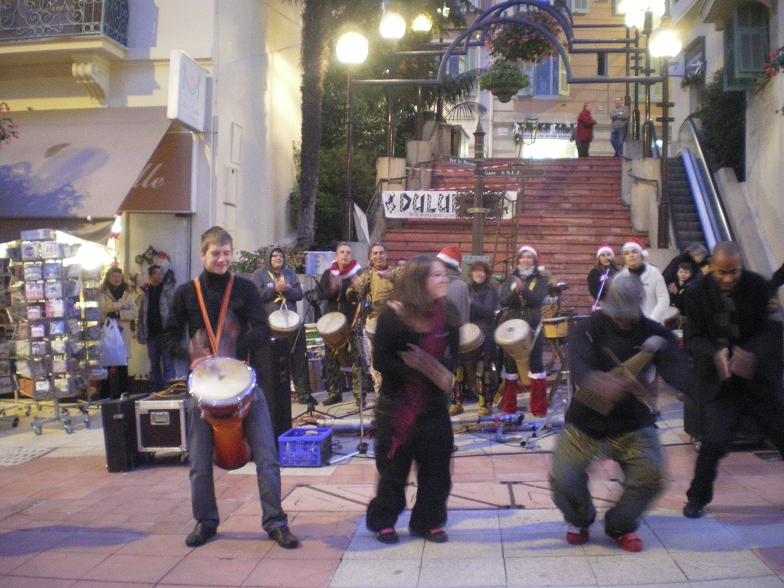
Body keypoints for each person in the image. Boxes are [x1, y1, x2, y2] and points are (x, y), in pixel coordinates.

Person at [163, 226, 299, 549]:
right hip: (203, 390)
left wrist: (235, 343)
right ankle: (206, 521)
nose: (222, 259)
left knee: (267, 456)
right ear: (203, 255)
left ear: (232, 253)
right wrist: (189, 353)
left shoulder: (245, 289)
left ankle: (276, 522)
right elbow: (168, 337)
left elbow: (263, 332)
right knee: (198, 464)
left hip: (245, 387)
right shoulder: (185, 293)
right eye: (215, 253)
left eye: (227, 253)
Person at [550, 273, 692, 552]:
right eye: (617, 314)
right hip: (584, 424)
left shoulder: (654, 333)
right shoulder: (587, 329)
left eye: (628, 315)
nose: (622, 321)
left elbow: (680, 371)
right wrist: (595, 381)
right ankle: (581, 519)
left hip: (632, 423)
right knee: (564, 478)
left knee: (651, 476)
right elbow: (579, 368)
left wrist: (695, 384)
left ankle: (619, 524)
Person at [682, 241, 784, 519]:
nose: (728, 279)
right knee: (713, 443)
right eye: (721, 273)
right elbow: (693, 339)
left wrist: (751, 354)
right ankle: (696, 498)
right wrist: (716, 354)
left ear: (741, 266)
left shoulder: (758, 286)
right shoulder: (696, 293)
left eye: (734, 272)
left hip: (758, 381)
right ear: (712, 268)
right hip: (722, 385)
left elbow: (774, 331)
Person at [366, 255, 459, 544]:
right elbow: (381, 361)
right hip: (397, 407)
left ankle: (427, 521)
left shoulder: (449, 313)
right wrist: (418, 370)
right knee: (393, 470)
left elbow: (452, 358)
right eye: (437, 275)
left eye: (445, 275)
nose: (444, 280)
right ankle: (384, 520)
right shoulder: (392, 315)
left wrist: (435, 370)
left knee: (437, 470)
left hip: (434, 406)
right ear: (419, 281)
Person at [250, 247, 311, 404]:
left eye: (280, 255)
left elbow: (299, 294)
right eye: (274, 255)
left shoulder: (290, 274)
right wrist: (275, 289)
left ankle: (303, 394)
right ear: (268, 258)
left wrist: (288, 289)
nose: (278, 258)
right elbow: (256, 295)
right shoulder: (259, 275)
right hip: (270, 326)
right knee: (272, 361)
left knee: (298, 359)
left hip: (292, 326)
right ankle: (273, 396)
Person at [498, 245, 550, 416]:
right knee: (510, 366)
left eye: (529, 257)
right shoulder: (509, 279)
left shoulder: (541, 279)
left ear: (534, 261)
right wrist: (515, 291)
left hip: (533, 326)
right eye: (522, 257)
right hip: (513, 328)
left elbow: (537, 300)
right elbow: (504, 301)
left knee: (536, 366)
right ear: (518, 260)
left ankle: (539, 409)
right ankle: (509, 408)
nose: (525, 260)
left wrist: (524, 289)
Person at [317, 242, 366, 406]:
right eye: (342, 252)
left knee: (357, 358)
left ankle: (360, 396)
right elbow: (320, 295)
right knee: (331, 359)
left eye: (348, 252)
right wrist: (332, 289)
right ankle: (334, 392)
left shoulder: (358, 273)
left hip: (352, 321)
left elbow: (363, 298)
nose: (345, 255)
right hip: (332, 322)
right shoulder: (328, 274)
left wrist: (359, 289)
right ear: (336, 256)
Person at [350, 243, 402, 394]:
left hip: (395, 322)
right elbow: (355, 296)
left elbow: (407, 283)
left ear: (387, 255)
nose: (378, 256)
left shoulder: (397, 272)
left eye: (381, 253)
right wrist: (355, 288)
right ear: (371, 258)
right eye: (375, 253)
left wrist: (391, 278)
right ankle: (380, 395)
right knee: (376, 363)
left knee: (396, 360)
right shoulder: (367, 276)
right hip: (374, 323)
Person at [435, 246, 470, 415]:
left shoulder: (455, 286)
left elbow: (459, 317)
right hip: (447, 338)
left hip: (444, 339)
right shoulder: (458, 285)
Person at [99, 267, 139, 399]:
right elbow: (102, 307)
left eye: (119, 276)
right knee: (107, 364)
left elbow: (134, 312)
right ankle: (105, 393)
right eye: (114, 276)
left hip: (122, 333)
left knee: (122, 365)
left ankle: (123, 393)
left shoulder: (128, 294)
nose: (117, 279)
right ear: (109, 278)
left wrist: (117, 313)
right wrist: (121, 305)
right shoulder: (103, 293)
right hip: (108, 332)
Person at [468, 260, 499, 417]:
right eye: (475, 271)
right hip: (470, 332)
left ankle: (486, 404)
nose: (478, 274)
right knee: (466, 370)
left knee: (484, 369)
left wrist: (471, 303)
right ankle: (460, 401)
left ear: (486, 274)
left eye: (481, 271)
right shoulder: (468, 289)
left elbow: (488, 311)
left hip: (485, 333)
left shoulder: (490, 291)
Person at [137, 264, 176, 391]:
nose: (159, 276)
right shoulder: (145, 293)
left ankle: (171, 390)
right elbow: (141, 313)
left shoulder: (167, 291)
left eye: (160, 274)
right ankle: (156, 392)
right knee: (154, 364)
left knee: (168, 363)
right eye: (156, 273)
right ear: (150, 276)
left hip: (165, 333)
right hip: (151, 334)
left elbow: (173, 311)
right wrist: (141, 331)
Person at [619, 241, 669, 323]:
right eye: (627, 253)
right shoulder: (621, 277)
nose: (631, 255)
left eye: (634, 252)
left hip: (653, 324)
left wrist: (652, 320)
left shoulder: (654, 272)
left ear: (642, 255)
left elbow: (664, 299)